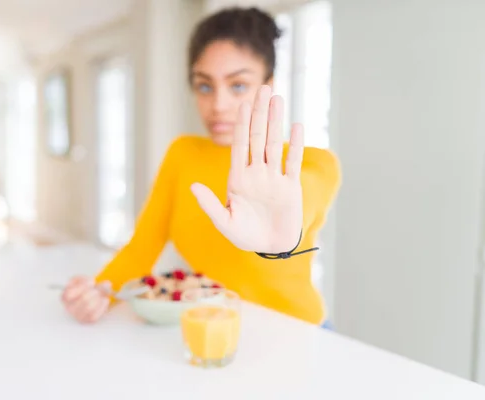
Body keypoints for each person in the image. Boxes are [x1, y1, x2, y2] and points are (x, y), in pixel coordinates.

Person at [62, 7, 340, 325]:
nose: (218, 105)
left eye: (237, 86)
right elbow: (141, 249)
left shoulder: (315, 163)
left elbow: (302, 202)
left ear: (268, 85)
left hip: (299, 333)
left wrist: (280, 232)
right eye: (204, 86)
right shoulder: (183, 154)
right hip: (213, 331)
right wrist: (101, 291)